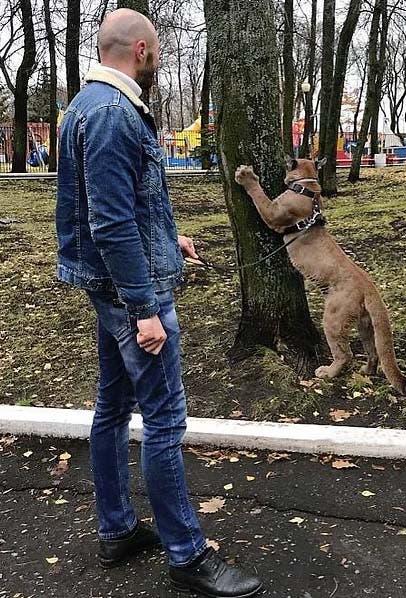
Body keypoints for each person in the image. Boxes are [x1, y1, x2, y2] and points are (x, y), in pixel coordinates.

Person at [55, 9, 263, 597]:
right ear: (142, 50)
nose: (160, 60)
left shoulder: (84, 107)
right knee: (165, 421)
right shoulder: (115, 115)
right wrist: (145, 307)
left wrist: (169, 239)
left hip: (111, 286)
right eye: (159, 52)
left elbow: (118, 207)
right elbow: (112, 222)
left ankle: (118, 529)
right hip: (132, 293)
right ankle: (187, 554)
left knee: (112, 409)